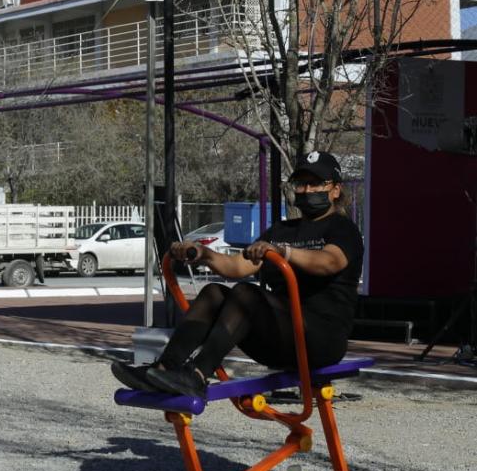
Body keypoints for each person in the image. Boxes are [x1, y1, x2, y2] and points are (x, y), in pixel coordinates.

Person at [113, 151, 363, 397]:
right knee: (213, 293)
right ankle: (163, 369)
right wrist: (204, 254)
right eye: (301, 184)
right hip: (282, 337)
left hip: (321, 340)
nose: (307, 190)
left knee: (246, 294)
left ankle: (197, 375)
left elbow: (329, 262)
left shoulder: (342, 229)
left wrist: (284, 252)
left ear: (335, 190)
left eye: (316, 183)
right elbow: (238, 266)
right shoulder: (282, 230)